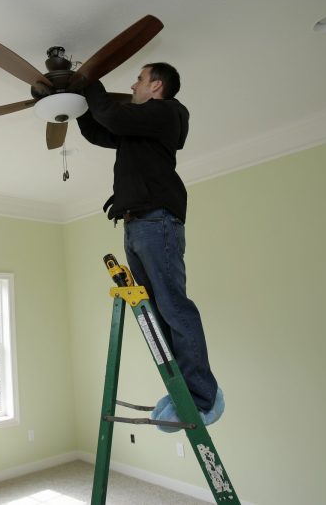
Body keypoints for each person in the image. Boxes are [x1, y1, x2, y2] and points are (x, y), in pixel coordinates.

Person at [76, 62, 224, 432]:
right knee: (156, 314)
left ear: (156, 86)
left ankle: (204, 399)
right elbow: (100, 128)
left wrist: (87, 83)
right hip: (137, 224)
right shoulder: (138, 130)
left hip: (157, 222)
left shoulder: (169, 112)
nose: (133, 85)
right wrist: (72, 104)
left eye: (139, 79)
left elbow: (112, 115)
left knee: (174, 307)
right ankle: (184, 393)